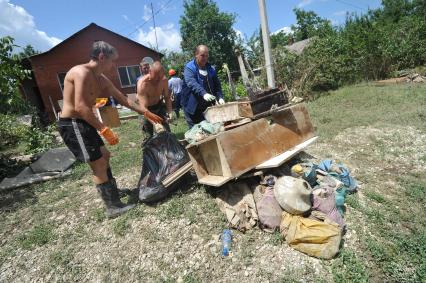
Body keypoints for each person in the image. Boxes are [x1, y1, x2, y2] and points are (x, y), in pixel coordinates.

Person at [57, 41, 151, 218]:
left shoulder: (100, 78)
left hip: (83, 122)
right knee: (98, 163)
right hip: (73, 123)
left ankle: (112, 191)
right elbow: (80, 107)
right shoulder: (81, 72)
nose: (113, 65)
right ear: (101, 57)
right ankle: (112, 207)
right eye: (112, 61)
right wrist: (103, 129)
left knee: (104, 156)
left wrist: (146, 112)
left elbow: (124, 99)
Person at [181, 45, 225, 128]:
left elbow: (217, 85)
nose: (205, 58)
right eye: (202, 55)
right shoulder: (189, 67)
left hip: (206, 106)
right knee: (196, 131)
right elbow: (191, 82)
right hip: (192, 106)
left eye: (207, 56)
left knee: (210, 128)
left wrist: (220, 97)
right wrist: (204, 93)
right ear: (196, 55)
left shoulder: (211, 69)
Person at [137, 61, 173, 142]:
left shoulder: (163, 80)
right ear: (150, 72)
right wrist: (155, 123)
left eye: (160, 78)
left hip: (158, 106)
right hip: (146, 110)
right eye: (156, 78)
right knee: (149, 138)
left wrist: (170, 112)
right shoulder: (142, 84)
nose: (158, 80)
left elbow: (167, 97)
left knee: (168, 134)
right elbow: (143, 108)